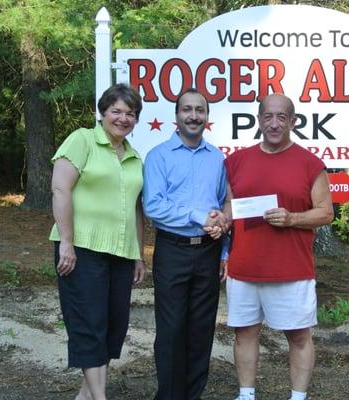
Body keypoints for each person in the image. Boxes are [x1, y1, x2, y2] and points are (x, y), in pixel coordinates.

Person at [224, 93, 334, 400]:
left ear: (293, 121)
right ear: (258, 120)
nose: (274, 124)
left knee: (298, 336)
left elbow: (326, 212)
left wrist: (292, 218)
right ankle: (246, 394)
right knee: (244, 333)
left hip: (292, 270)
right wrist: (220, 219)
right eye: (268, 117)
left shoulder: (310, 163)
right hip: (244, 268)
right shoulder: (235, 162)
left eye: (281, 117)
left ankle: (297, 396)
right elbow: (229, 208)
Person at [50, 83, 145, 400]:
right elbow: (60, 189)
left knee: (112, 326)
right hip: (82, 249)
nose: (123, 118)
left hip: (120, 252)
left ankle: (86, 396)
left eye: (130, 113)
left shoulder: (134, 156)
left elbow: (136, 209)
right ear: (102, 113)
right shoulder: (82, 140)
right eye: (116, 111)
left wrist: (138, 255)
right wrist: (66, 241)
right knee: (89, 324)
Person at [142, 88, 229, 400]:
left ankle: (193, 395)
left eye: (200, 110)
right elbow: (153, 206)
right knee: (171, 329)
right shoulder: (158, 157)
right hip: (172, 251)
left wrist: (224, 249)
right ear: (176, 117)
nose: (194, 116)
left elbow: (221, 206)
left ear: (207, 117)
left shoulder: (217, 158)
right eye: (187, 110)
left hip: (208, 252)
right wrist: (197, 216)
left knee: (201, 330)